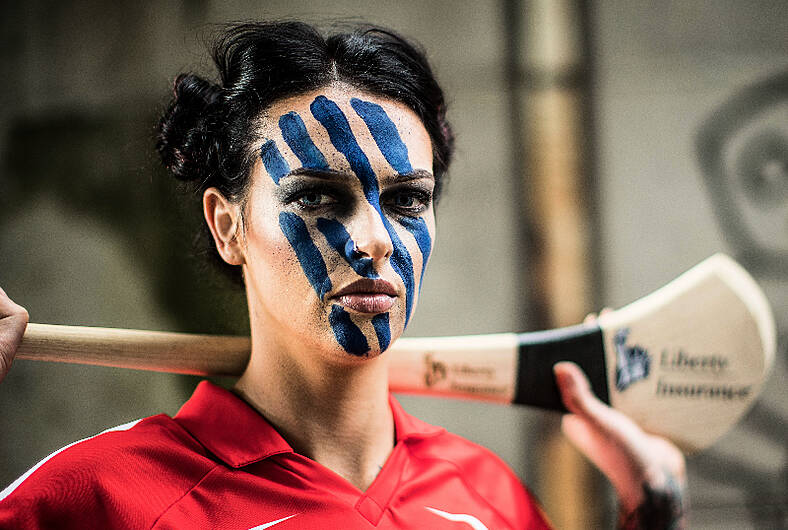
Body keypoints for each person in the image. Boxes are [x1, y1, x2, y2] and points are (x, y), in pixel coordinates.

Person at [0, 21, 685, 529]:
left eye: (408, 199)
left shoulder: (490, 499)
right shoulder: (97, 499)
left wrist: (650, 515)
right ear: (228, 226)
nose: (376, 241)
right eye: (316, 197)